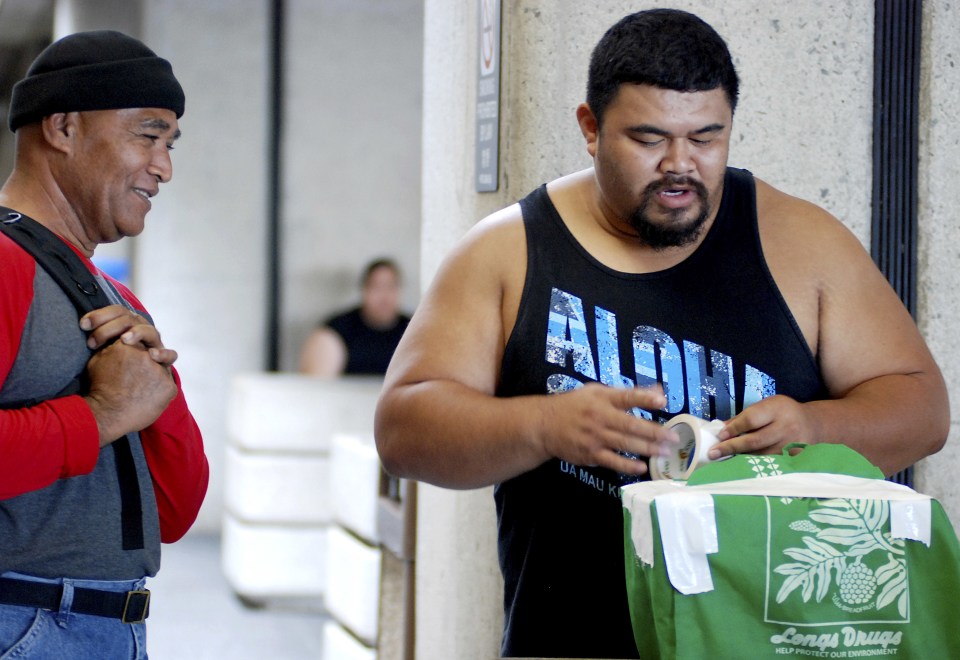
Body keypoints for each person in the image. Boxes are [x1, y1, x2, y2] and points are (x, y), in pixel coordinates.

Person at [374, 8, 949, 659]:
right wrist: (541, 426)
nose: (681, 165)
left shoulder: (802, 243)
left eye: (706, 137)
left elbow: (922, 407)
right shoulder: (509, 252)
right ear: (591, 128)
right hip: (567, 639)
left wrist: (817, 428)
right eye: (650, 140)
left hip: (765, 641)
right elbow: (401, 431)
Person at [0, 30, 208, 658]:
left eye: (171, 144)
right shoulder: (6, 265)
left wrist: (156, 395)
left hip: (104, 625)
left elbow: (172, 513)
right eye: (147, 136)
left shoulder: (117, 301)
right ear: (62, 128)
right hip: (28, 622)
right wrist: (100, 415)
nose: (164, 166)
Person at [299, 258, 411, 376]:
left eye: (391, 287)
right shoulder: (337, 331)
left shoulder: (412, 331)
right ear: (364, 290)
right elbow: (317, 386)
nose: (384, 296)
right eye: (376, 287)